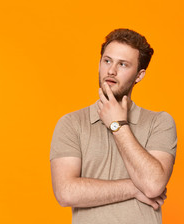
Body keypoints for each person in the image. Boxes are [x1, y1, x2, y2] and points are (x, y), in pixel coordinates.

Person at [50, 28, 177, 224]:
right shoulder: (71, 123)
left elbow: (152, 186)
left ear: (139, 75)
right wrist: (135, 188)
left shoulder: (160, 123)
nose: (111, 70)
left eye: (123, 64)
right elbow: (66, 192)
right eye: (107, 61)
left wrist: (118, 125)